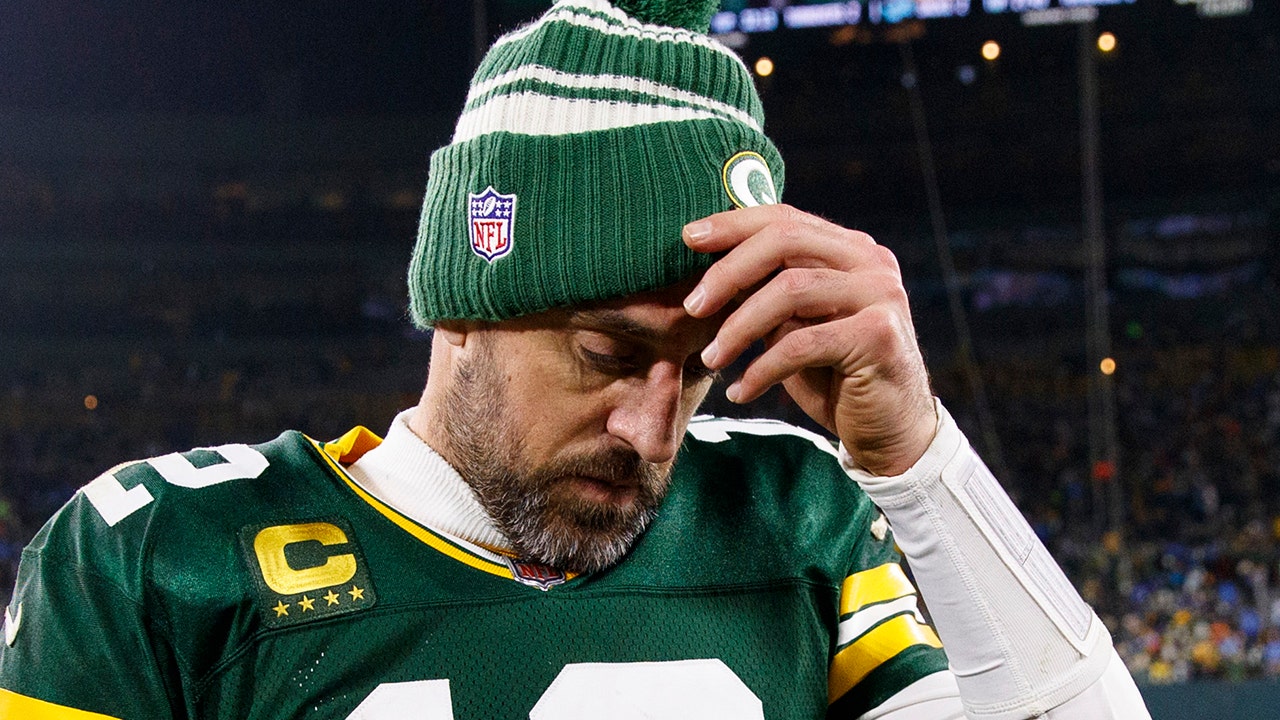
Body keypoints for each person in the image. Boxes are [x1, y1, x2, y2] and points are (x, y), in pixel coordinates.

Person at [0, 1, 1151, 718]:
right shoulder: (154, 561)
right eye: (609, 354)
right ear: (464, 305)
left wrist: (912, 454)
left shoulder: (795, 514)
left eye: (698, 368)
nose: (654, 431)